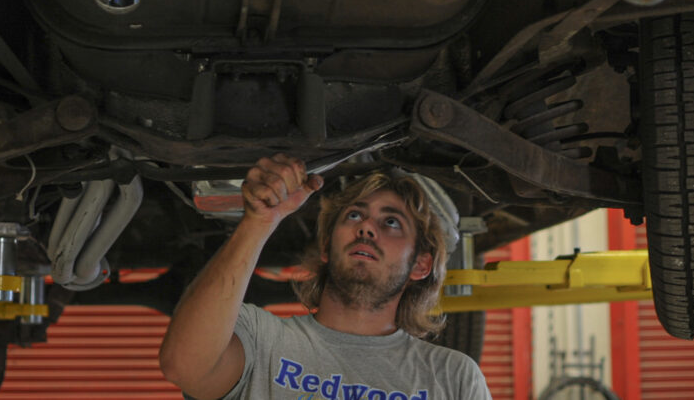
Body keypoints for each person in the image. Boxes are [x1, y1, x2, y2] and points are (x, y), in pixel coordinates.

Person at [159, 154, 492, 400]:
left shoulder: (451, 378)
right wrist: (259, 222)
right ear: (326, 248)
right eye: (354, 215)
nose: (365, 227)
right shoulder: (260, 338)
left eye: (391, 222)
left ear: (420, 265)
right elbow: (184, 367)